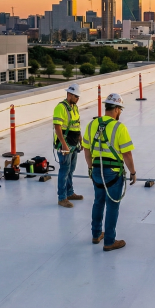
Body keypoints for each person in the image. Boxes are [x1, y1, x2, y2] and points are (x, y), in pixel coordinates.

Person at [82, 93, 137, 251]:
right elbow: (127, 154)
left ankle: (96, 234)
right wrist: (133, 172)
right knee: (112, 206)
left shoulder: (92, 124)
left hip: (97, 170)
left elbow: (86, 149)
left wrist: (91, 167)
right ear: (117, 109)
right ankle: (109, 241)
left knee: (98, 202)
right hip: (113, 173)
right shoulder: (119, 127)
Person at [53, 84, 83, 208]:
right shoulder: (60, 107)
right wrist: (64, 145)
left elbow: (77, 125)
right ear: (69, 94)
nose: (77, 99)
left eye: (78, 97)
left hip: (73, 143)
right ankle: (62, 198)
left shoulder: (74, 107)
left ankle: (70, 193)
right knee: (64, 171)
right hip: (65, 144)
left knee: (71, 170)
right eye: (76, 96)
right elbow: (57, 127)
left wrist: (81, 141)